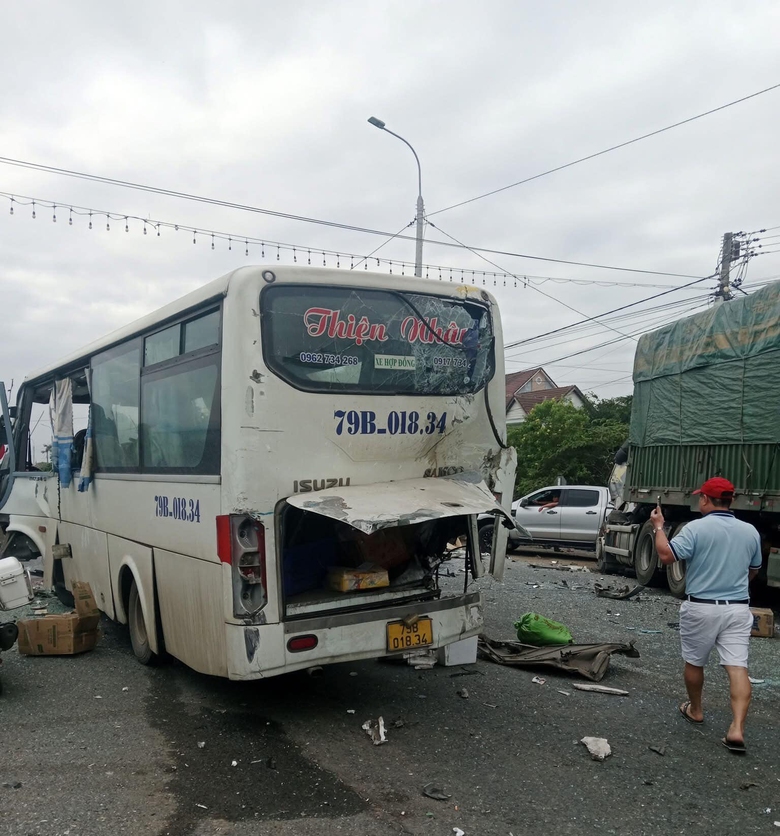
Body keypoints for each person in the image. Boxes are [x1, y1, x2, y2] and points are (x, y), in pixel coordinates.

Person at [651, 477, 762, 754]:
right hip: (737, 607)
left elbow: (666, 555)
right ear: (730, 501)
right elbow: (754, 569)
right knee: (737, 667)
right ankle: (736, 728)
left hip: (701, 606)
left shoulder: (695, 529)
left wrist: (658, 527)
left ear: (705, 500)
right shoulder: (751, 532)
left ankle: (696, 710)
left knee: (695, 662)